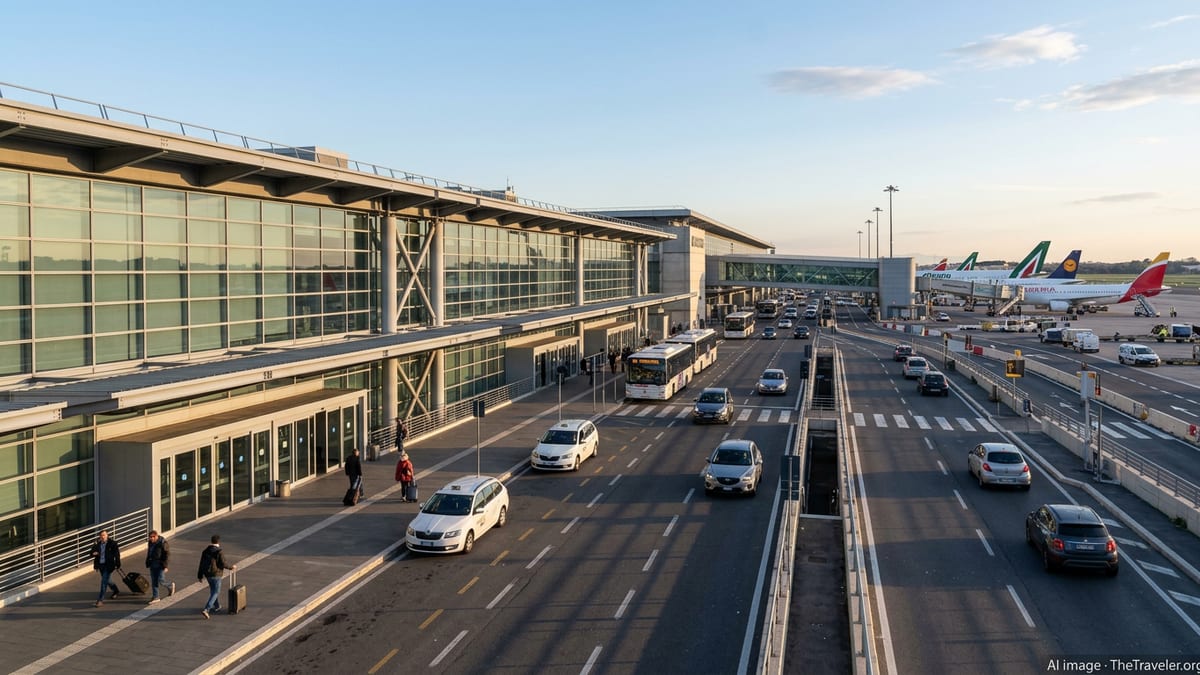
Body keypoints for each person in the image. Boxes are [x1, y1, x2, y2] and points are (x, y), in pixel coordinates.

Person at [197, 534, 235, 619]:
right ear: (218, 542)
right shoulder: (219, 551)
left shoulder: (205, 551)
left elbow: (201, 564)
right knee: (216, 592)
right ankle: (206, 609)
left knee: (213, 590)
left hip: (208, 574)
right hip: (216, 574)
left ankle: (217, 606)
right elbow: (223, 563)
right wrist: (231, 567)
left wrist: (200, 576)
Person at [89, 530, 121, 607]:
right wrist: (94, 553)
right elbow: (91, 553)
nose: (102, 537)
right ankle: (116, 591)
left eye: (104, 535)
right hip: (101, 565)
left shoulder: (112, 544)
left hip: (109, 565)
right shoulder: (97, 544)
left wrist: (118, 564)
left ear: (107, 535)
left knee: (103, 582)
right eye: (101, 536)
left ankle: (100, 600)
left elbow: (117, 555)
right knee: (108, 581)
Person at [145, 530, 174, 604]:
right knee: (154, 580)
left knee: (161, 580)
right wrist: (148, 561)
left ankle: (170, 586)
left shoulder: (163, 543)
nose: (151, 539)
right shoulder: (150, 543)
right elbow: (149, 552)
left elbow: (167, 554)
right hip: (152, 563)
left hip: (160, 564)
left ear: (156, 536)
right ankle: (156, 597)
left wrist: (165, 566)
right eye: (150, 537)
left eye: (153, 537)